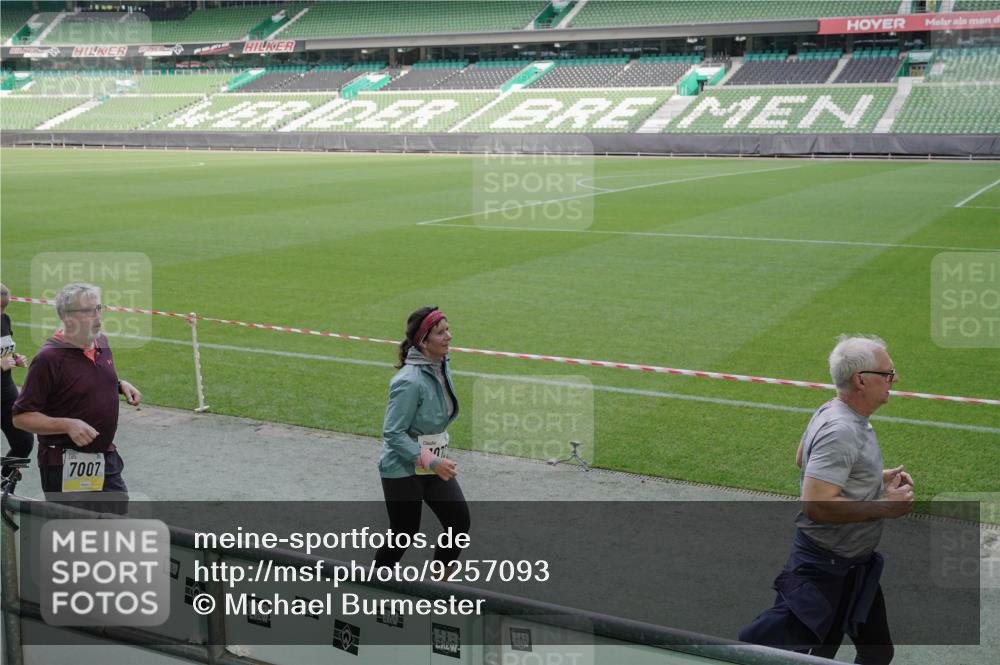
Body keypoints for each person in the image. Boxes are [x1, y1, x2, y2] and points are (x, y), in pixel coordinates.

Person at [739, 335, 914, 664]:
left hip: (852, 567)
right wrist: (883, 506)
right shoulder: (841, 429)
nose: (896, 379)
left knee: (876, 652)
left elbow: (801, 459)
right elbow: (817, 504)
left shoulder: (836, 412)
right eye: (888, 373)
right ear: (861, 380)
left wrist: (872, 481)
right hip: (824, 569)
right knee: (791, 654)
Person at [12, 283, 142, 508]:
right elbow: (21, 417)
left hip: (104, 458)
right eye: (88, 311)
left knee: (116, 523)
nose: (97, 317)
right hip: (64, 465)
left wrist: (119, 384)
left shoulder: (101, 342)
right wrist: (67, 424)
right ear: (66, 316)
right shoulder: (49, 358)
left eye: (99, 308)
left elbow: (88, 377)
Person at [374, 306, 469, 570]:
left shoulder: (440, 365)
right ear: (424, 341)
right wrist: (432, 460)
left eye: (448, 329)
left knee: (458, 524)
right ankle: (373, 585)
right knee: (403, 533)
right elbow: (393, 433)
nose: (449, 336)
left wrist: (436, 452)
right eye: (441, 332)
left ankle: (437, 588)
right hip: (403, 468)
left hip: (430, 462)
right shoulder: (409, 381)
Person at [1, 283, 34, 483]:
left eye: (4, 308)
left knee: (24, 443)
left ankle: (4, 481)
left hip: (6, 393)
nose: (2, 313)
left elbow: (4, 349)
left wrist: (15, 357)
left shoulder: (4, 319)